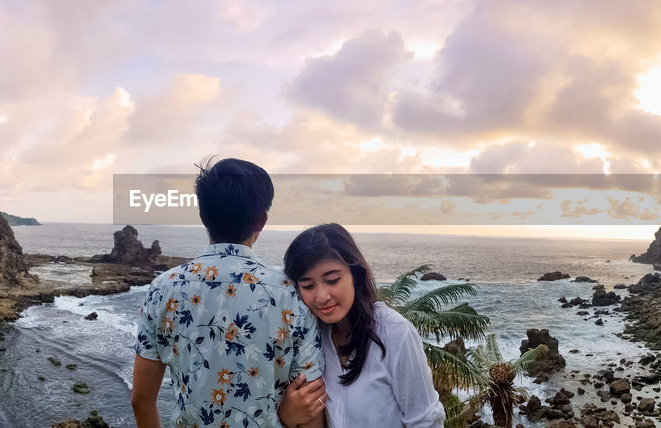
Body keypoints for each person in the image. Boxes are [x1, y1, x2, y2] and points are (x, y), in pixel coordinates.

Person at [132, 158, 327, 428]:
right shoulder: (292, 294)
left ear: (203, 215)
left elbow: (140, 400)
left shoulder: (163, 288)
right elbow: (310, 404)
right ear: (261, 220)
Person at [279, 223, 445, 428]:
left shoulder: (395, 333)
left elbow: (426, 422)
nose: (321, 297)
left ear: (356, 276)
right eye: (307, 286)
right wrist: (286, 416)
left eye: (332, 280)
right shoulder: (308, 340)